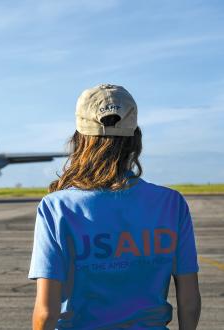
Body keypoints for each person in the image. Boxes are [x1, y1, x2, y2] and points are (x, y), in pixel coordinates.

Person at [28, 84, 201, 329]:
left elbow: (46, 312)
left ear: (79, 138)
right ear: (135, 137)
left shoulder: (56, 208)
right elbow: (189, 300)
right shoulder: (171, 203)